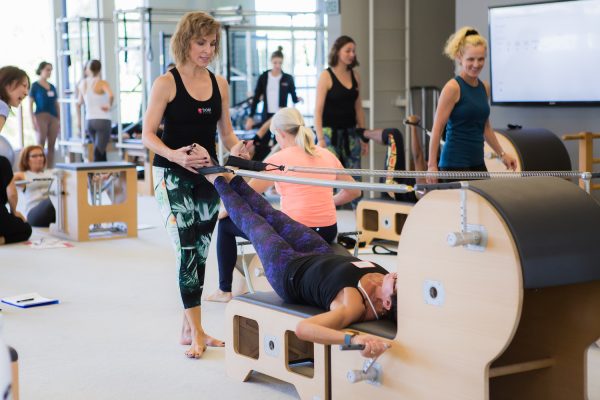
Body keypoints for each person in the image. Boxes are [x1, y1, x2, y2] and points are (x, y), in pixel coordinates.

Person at [141, 11, 249, 359]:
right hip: (170, 175)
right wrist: (174, 155)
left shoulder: (220, 84)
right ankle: (198, 330)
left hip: (207, 175)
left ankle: (188, 328)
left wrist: (238, 148)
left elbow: (226, 133)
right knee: (187, 251)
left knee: (200, 252)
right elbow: (147, 134)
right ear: (185, 42)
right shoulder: (166, 83)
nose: (208, 50)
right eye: (201, 42)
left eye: (213, 44)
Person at [204, 170, 394, 359]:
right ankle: (232, 179)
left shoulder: (354, 305)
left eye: (395, 283)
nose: (396, 276)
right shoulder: (384, 276)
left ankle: (215, 178)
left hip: (288, 271)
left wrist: (352, 339)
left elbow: (304, 329)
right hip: (318, 252)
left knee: (253, 222)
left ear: (387, 302)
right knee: (273, 215)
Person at [207, 107, 361, 303]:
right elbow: (354, 191)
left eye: (274, 136)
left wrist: (226, 210)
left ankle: (224, 290)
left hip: (297, 234)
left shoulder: (278, 159)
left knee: (225, 225)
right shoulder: (326, 154)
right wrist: (327, 201)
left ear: (280, 133)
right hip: (328, 232)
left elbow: (245, 196)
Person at [427, 27, 517, 183]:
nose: (476, 64)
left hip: (477, 163)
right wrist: (431, 166)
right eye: (471, 59)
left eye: (481, 59)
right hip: (453, 165)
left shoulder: (484, 88)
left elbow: (486, 127)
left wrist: (502, 154)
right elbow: (437, 128)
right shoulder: (453, 88)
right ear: (459, 57)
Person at [314, 35, 367, 172]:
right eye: (348, 51)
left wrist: (363, 136)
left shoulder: (355, 76)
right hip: (329, 134)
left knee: (354, 177)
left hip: (351, 134)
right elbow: (318, 111)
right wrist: (320, 138)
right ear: (337, 51)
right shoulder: (326, 76)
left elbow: (358, 109)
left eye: (353, 51)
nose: (352, 54)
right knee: (331, 177)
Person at [245, 47, 301, 160]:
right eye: (275, 63)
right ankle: (261, 165)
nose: (277, 65)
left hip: (280, 116)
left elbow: (293, 96)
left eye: (280, 63)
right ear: (271, 62)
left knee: (280, 143)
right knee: (262, 141)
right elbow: (256, 97)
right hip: (266, 115)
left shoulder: (288, 78)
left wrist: (297, 99)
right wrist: (250, 117)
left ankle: (279, 164)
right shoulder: (264, 77)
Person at [0, 66, 32, 245]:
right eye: (24, 86)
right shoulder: (2, 105)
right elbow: (11, 192)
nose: (26, 92)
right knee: (24, 229)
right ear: (9, 84)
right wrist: (14, 212)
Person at [77, 59, 114, 161]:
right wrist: (108, 105)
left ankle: (104, 171)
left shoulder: (83, 83)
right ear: (100, 69)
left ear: (88, 69)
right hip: (103, 120)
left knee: (101, 150)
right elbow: (111, 95)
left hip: (90, 121)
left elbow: (80, 102)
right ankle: (95, 170)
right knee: (99, 152)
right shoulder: (102, 83)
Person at [12, 145, 55, 227]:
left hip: (52, 210)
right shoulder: (22, 175)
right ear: (26, 159)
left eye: (41, 155)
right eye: (34, 156)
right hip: (33, 214)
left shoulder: (51, 173)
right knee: (53, 199)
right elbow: (5, 178)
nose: (39, 158)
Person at [29, 61, 60, 167]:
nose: (49, 72)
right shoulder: (35, 86)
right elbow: (30, 105)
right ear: (41, 70)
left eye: (51, 70)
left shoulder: (52, 87)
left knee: (52, 144)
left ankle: (49, 168)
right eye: (47, 69)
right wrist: (32, 121)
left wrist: (59, 120)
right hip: (40, 116)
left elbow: (56, 104)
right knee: (41, 142)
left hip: (53, 117)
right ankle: (38, 168)